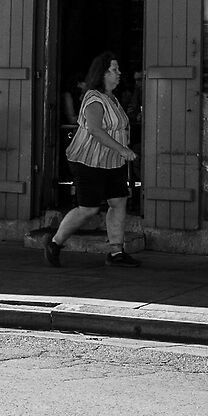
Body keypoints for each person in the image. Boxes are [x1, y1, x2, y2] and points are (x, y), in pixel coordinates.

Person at [45, 51, 138, 267]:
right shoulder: (94, 98)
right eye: (114, 69)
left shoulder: (112, 98)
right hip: (88, 160)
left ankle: (116, 253)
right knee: (88, 208)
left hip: (110, 161)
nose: (119, 73)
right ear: (102, 73)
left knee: (118, 201)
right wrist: (123, 149)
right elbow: (95, 130)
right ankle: (55, 242)